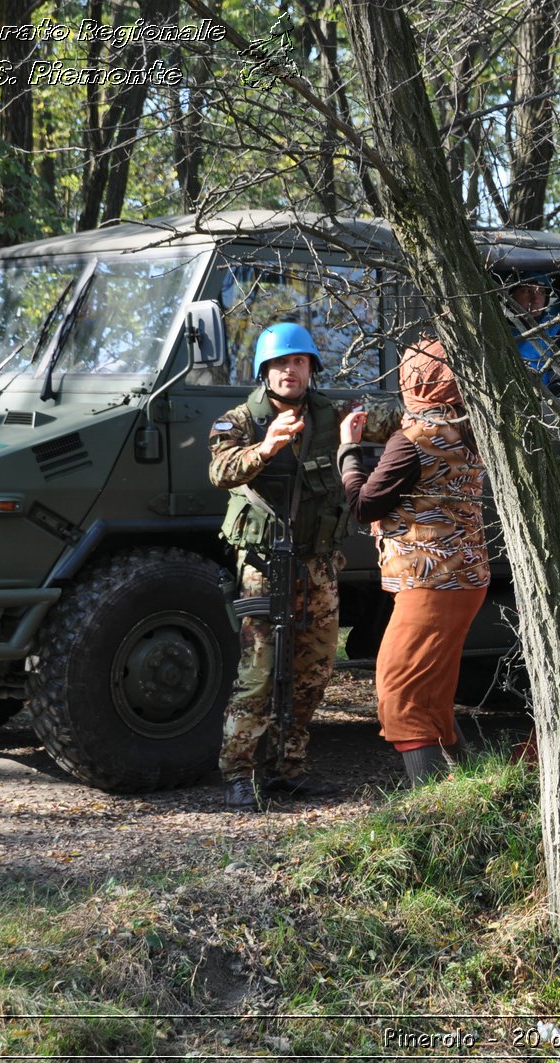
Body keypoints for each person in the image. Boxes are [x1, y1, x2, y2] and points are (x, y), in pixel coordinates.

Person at [209, 322, 401, 810]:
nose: (289, 370)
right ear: (264, 372)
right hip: (264, 566)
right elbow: (220, 470)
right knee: (259, 673)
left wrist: (442, 410)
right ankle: (238, 772)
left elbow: (400, 417)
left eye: (298, 362)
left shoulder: (331, 413)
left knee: (313, 670)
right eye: (279, 364)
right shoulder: (240, 421)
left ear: (311, 368)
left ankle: (288, 768)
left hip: (318, 564)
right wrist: (267, 447)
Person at [338, 339, 489, 787]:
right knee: (435, 692)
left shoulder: (413, 441)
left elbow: (363, 505)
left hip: (431, 583)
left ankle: (433, 807)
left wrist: (348, 450)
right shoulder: (467, 428)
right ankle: (471, 789)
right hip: (465, 579)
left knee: (399, 692)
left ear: (414, 380)